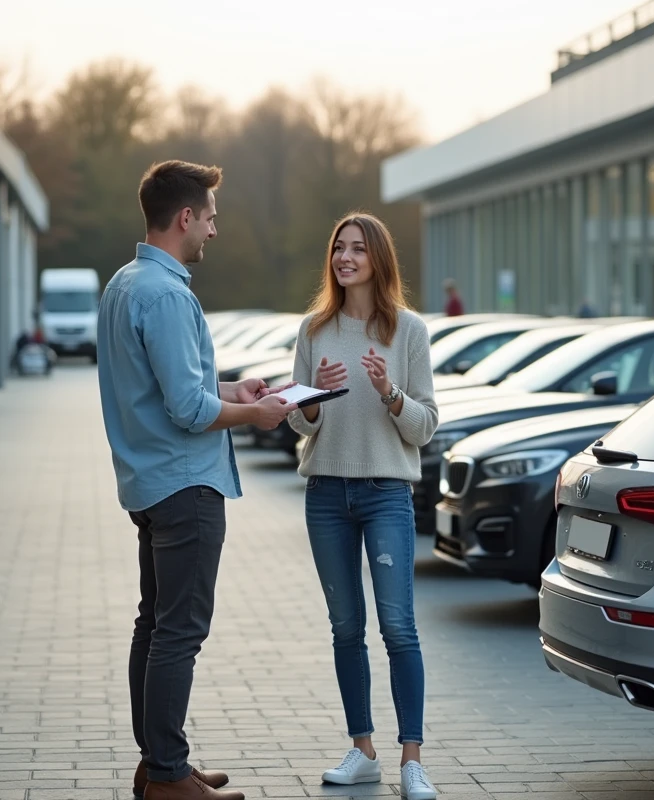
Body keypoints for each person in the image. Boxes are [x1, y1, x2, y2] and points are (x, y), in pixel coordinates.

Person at [97, 160, 296, 800]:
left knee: (154, 624)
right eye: (209, 216)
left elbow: (167, 388)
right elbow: (188, 411)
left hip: (149, 484)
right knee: (178, 630)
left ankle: (160, 762)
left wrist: (230, 388)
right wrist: (256, 413)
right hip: (185, 487)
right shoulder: (168, 293)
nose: (214, 228)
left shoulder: (124, 285)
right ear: (186, 217)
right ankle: (167, 776)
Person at [287, 213, 440, 800]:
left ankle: (412, 759)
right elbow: (299, 420)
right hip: (326, 493)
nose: (344, 257)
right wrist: (315, 400)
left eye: (356, 249)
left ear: (377, 258)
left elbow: (424, 427)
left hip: (385, 495)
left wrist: (388, 392)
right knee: (345, 627)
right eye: (338, 249)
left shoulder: (409, 331)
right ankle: (363, 750)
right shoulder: (313, 330)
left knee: (398, 627)